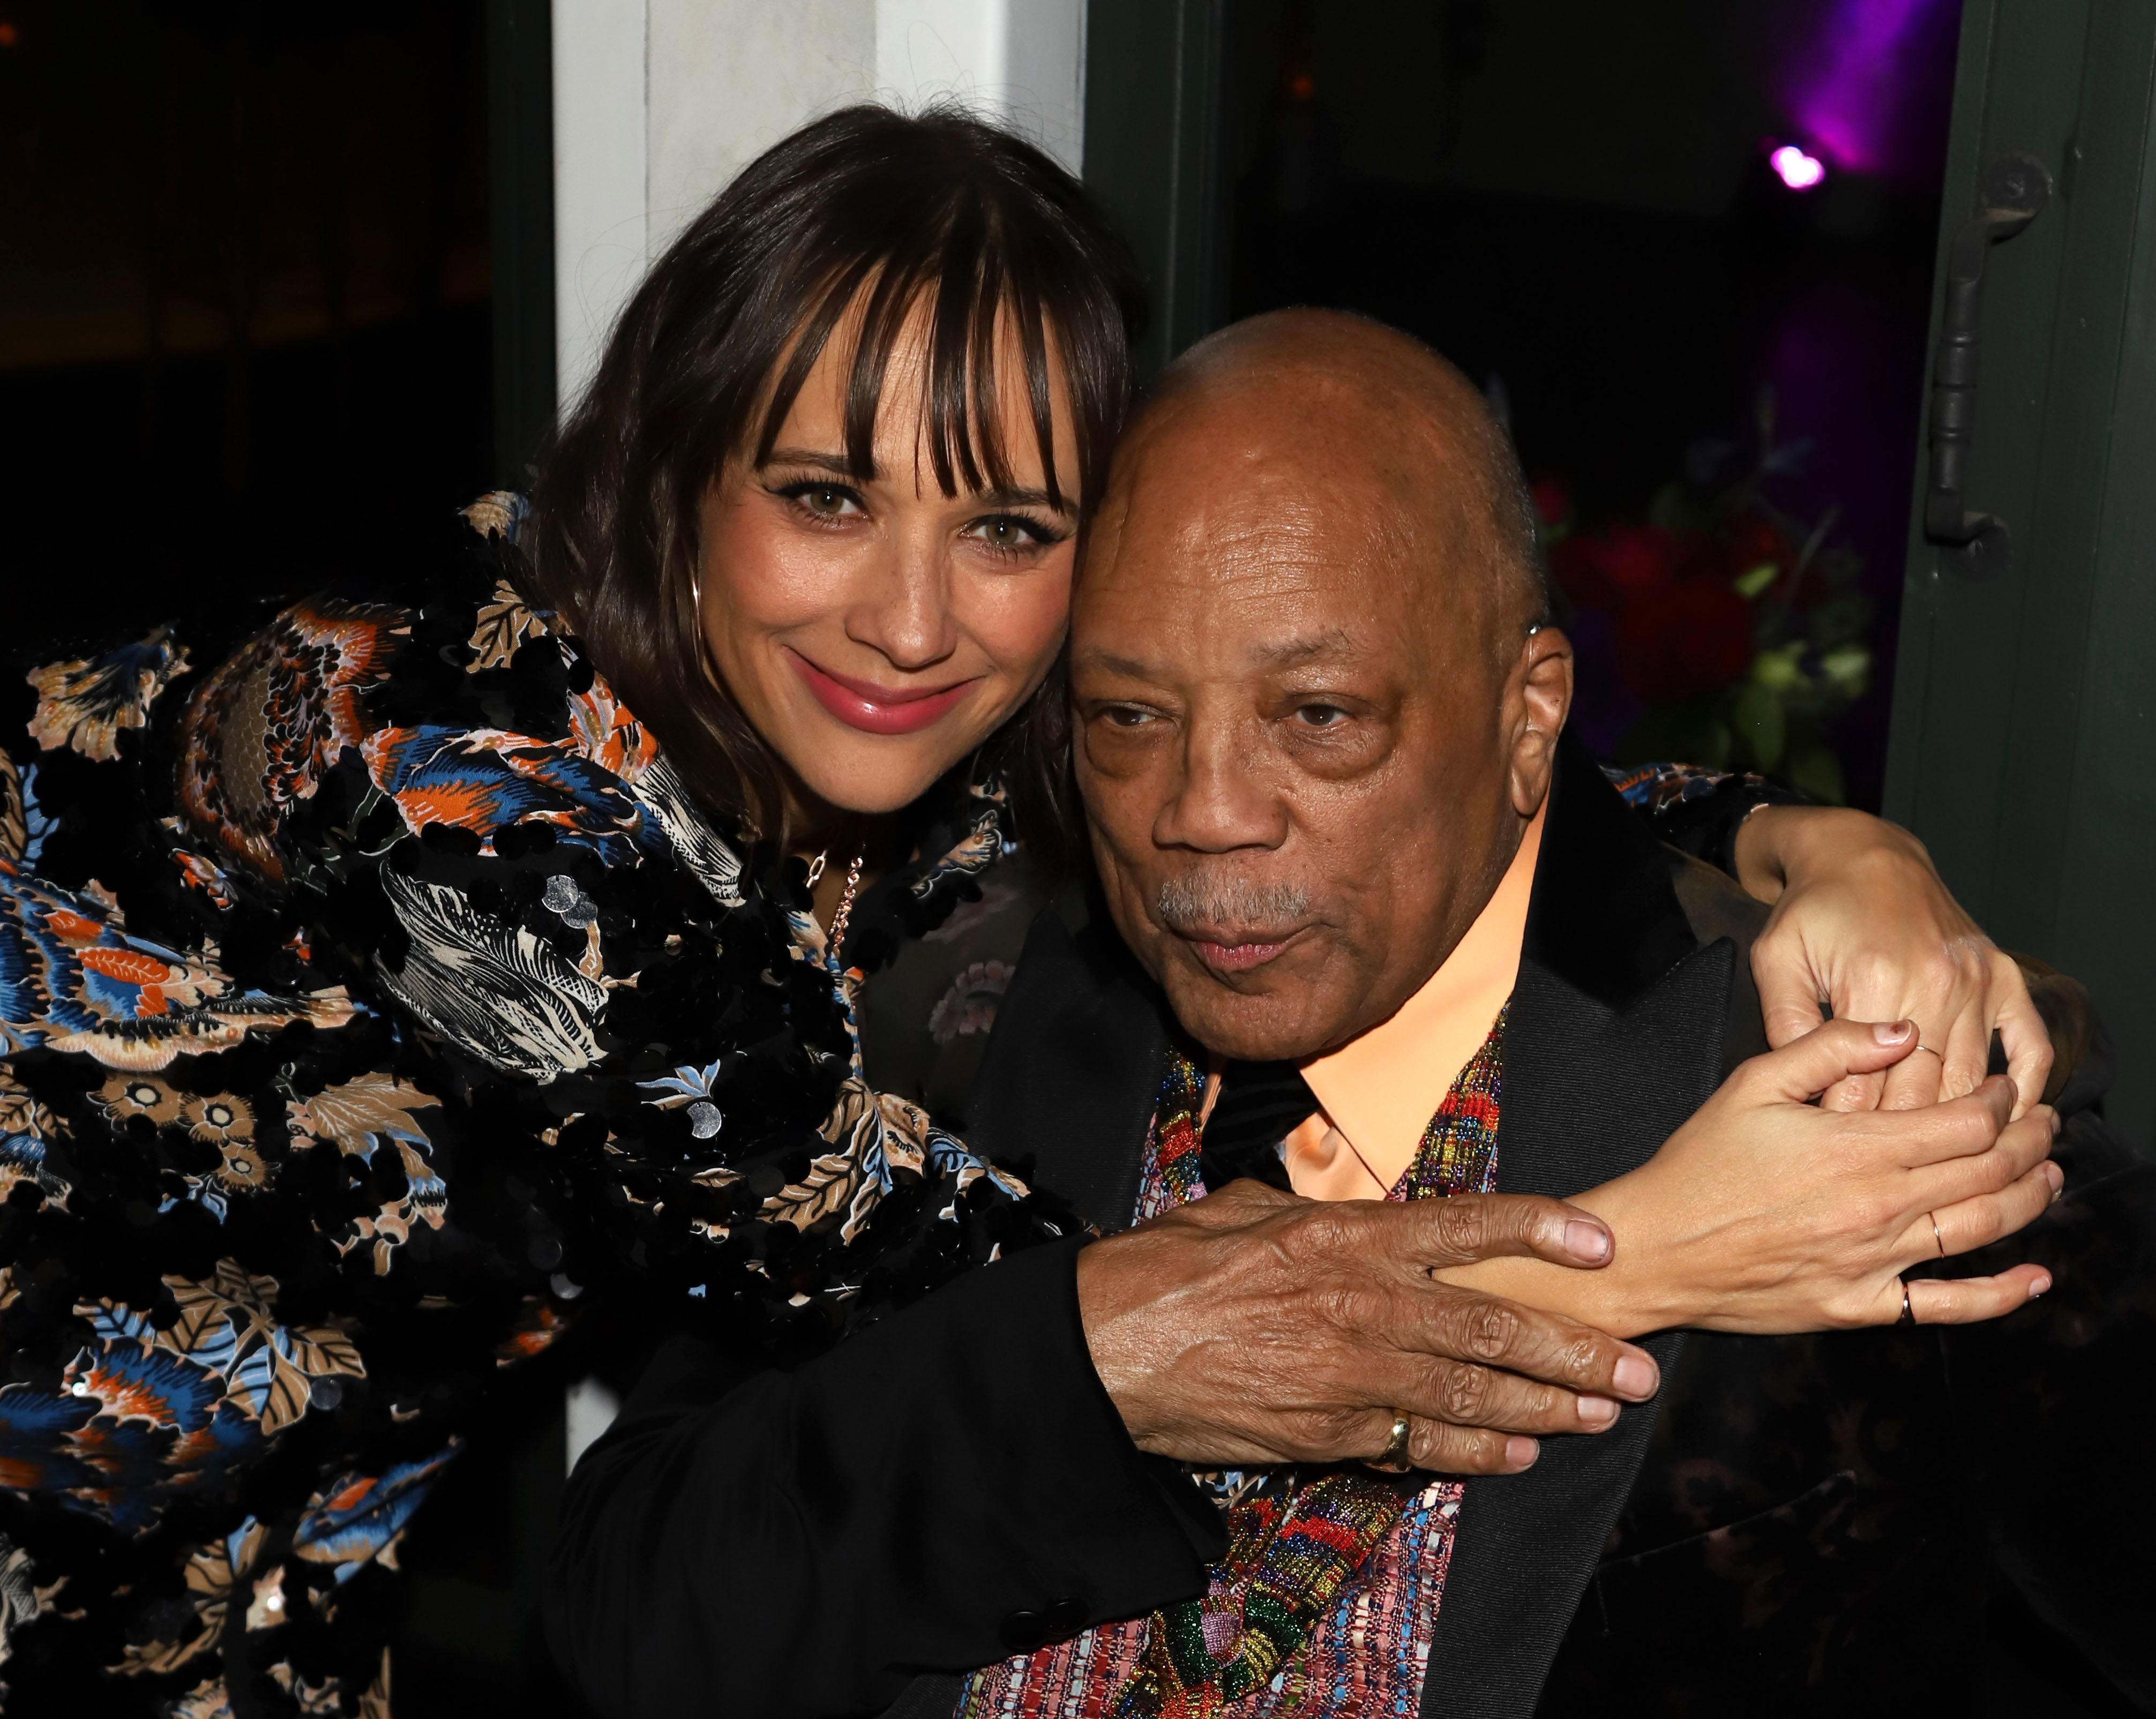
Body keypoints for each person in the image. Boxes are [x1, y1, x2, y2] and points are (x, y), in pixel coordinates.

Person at [0, 109, 2058, 1718]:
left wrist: (1819, 840)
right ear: (671, 469)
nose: (910, 618)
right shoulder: (477, 799)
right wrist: (1662, 1252)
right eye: (824, 496)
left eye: (1006, 527)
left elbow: (1427, 758)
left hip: (265, 1524)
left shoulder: (904, 774)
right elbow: (1094, 1328)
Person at [540, 282, 2083, 1719]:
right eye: (1130, 716)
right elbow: (626, 1604)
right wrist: (1091, 1362)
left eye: (1321, 718)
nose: (1202, 812)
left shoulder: (1852, 1107)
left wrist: (1836, 847)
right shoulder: (961, 1006)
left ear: (1526, 717)